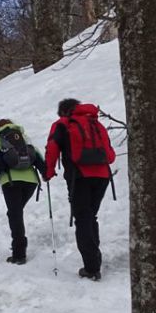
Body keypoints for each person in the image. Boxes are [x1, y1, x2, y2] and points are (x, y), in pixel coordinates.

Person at [44, 98, 116, 280]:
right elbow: (111, 155)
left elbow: (52, 147)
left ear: (63, 112)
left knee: (83, 218)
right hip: (102, 176)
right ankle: (94, 258)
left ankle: (92, 268)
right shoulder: (95, 123)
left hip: (79, 176)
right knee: (90, 216)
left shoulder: (62, 124)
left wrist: (49, 171)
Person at [0, 119, 45, 265]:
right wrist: (45, 172)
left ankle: (19, 253)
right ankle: (19, 247)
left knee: (15, 213)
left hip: (10, 181)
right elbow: (37, 155)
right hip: (31, 182)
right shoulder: (23, 136)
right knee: (15, 213)